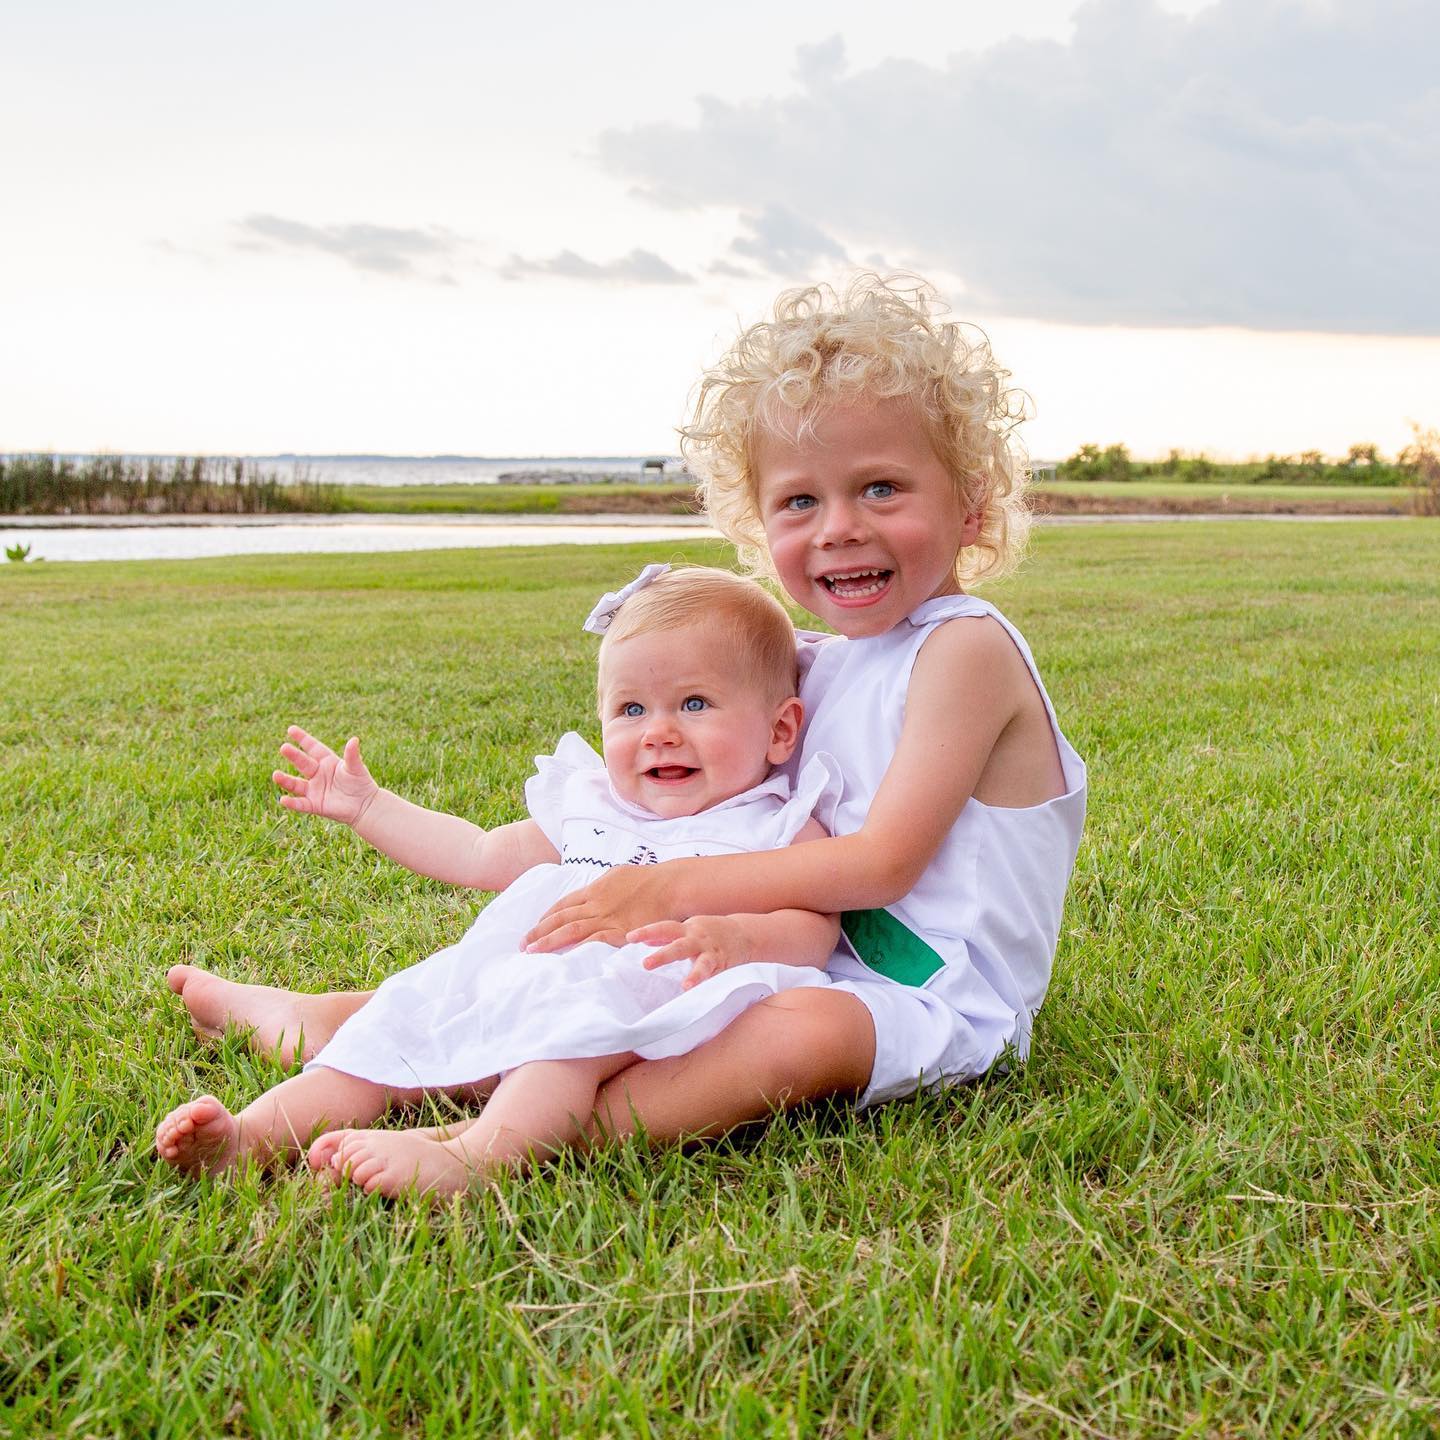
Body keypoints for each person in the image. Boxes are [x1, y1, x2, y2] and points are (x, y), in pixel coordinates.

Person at [168, 272, 1087, 1166]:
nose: (839, 527)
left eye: (881, 488)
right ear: (757, 521)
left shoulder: (964, 649)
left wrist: (666, 891)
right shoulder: (828, 660)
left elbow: (883, 864)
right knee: (560, 983)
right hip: (790, 949)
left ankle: (506, 1136)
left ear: (970, 501)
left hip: (927, 992)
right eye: (800, 501)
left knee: (794, 1035)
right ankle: (315, 1019)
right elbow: (697, 704)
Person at [156, 567, 842, 1194]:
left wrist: (737, 939)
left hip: (630, 998)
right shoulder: (594, 805)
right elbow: (480, 853)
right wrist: (371, 808)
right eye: (631, 711)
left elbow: (814, 929)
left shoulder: (775, 825)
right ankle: (249, 1137)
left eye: (694, 704)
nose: (657, 733)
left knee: (568, 1041)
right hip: (514, 973)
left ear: (781, 731)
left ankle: (479, 1157)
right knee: (387, 1031)